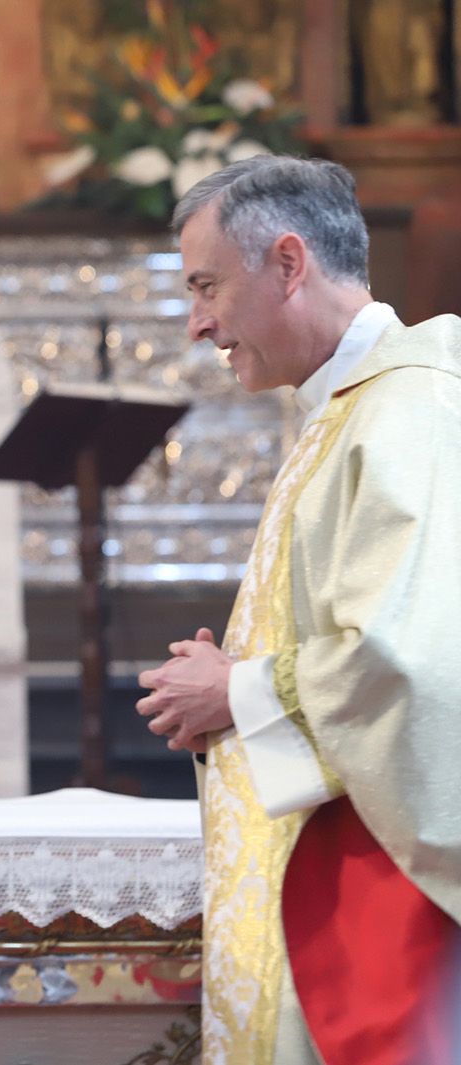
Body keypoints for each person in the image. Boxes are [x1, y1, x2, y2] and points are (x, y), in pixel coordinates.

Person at [136, 156, 461, 1064]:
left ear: (287, 263)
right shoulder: (346, 408)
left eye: (206, 286)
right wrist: (228, 688)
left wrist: (237, 690)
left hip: (379, 902)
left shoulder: (410, 411)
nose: (197, 322)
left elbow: (411, 664)